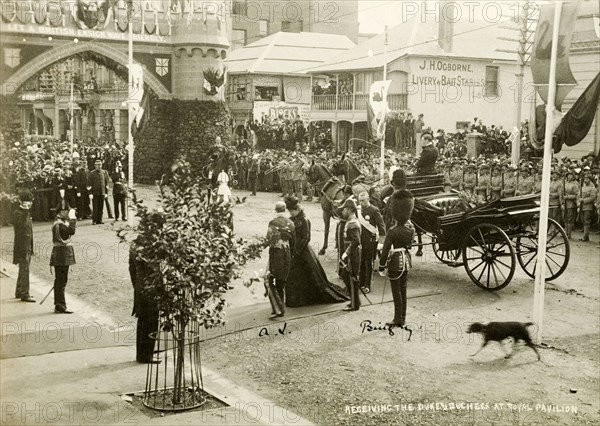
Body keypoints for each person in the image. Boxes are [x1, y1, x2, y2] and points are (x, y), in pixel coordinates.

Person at [284, 196, 348, 307]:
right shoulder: (292, 219)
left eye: (291, 211)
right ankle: (294, 300)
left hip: (303, 252)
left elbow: (306, 238)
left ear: (297, 209)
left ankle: (301, 300)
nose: (290, 213)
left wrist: (297, 252)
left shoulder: (304, 220)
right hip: (294, 250)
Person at [379, 189, 415, 327]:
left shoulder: (393, 231)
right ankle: (403, 318)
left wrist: (381, 266)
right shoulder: (410, 230)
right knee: (403, 290)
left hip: (395, 263)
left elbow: (385, 250)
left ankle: (397, 318)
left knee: (396, 292)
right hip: (406, 261)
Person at [129, 244, 160, 364]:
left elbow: (131, 268)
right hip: (151, 287)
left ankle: (142, 354)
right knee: (151, 321)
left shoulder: (134, 245)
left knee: (143, 320)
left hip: (140, 286)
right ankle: (147, 355)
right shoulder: (150, 245)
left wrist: (137, 285)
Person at [264, 201, 296, 319]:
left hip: (275, 254)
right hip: (286, 254)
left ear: (275, 210)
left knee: (268, 280)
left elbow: (268, 239)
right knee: (281, 283)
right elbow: (294, 242)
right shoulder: (291, 223)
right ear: (285, 209)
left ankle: (277, 308)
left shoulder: (272, 223)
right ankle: (280, 307)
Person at [50, 201, 77, 313]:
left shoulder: (61, 222)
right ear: (61, 211)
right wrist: (73, 219)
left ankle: (59, 304)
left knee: (61, 280)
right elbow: (71, 231)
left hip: (62, 254)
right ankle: (60, 305)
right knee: (61, 280)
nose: (68, 212)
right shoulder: (59, 225)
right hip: (61, 254)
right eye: (66, 211)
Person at [357, 192, 385, 294]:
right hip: (361, 240)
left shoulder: (374, 210)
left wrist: (381, 242)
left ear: (368, 199)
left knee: (369, 263)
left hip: (370, 240)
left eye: (363, 200)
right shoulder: (358, 210)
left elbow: (382, 228)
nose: (361, 203)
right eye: (360, 200)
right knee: (361, 262)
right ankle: (360, 283)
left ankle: (367, 286)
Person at [338, 198, 361, 311]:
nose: (342, 212)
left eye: (344, 209)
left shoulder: (352, 223)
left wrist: (346, 253)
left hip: (352, 254)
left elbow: (356, 241)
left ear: (349, 210)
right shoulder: (350, 221)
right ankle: (355, 300)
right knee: (345, 275)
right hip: (350, 252)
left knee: (351, 277)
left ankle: (354, 304)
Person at [13, 190, 35, 303]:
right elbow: (21, 225)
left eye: (30, 202)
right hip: (22, 246)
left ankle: (19, 290)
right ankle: (24, 293)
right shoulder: (19, 213)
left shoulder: (24, 212)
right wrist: (26, 211)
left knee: (23, 268)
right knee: (25, 269)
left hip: (26, 245)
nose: (29, 204)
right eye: (27, 201)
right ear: (21, 201)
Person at [88, 159, 110, 224]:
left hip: (102, 192)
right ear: (95, 166)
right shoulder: (92, 173)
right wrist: (90, 193)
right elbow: (89, 184)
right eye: (97, 165)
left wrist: (106, 192)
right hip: (95, 193)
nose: (99, 166)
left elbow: (106, 183)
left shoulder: (104, 172)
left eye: (100, 165)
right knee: (95, 207)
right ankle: (94, 220)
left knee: (101, 207)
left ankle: (100, 220)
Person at [580, 172, 597, 242]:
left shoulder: (592, 188)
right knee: (583, 220)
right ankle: (586, 235)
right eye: (585, 178)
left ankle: (585, 236)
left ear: (590, 179)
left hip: (588, 206)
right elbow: (579, 194)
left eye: (587, 178)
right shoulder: (583, 186)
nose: (585, 180)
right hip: (581, 206)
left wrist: (583, 200)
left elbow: (592, 198)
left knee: (586, 221)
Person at [563, 169, 579, 239]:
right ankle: (565, 232)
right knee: (565, 218)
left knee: (570, 218)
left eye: (571, 175)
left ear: (573, 176)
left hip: (571, 203)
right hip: (565, 203)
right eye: (568, 175)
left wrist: (567, 196)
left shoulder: (575, 184)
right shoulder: (565, 183)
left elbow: (577, 195)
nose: (569, 177)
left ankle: (569, 233)